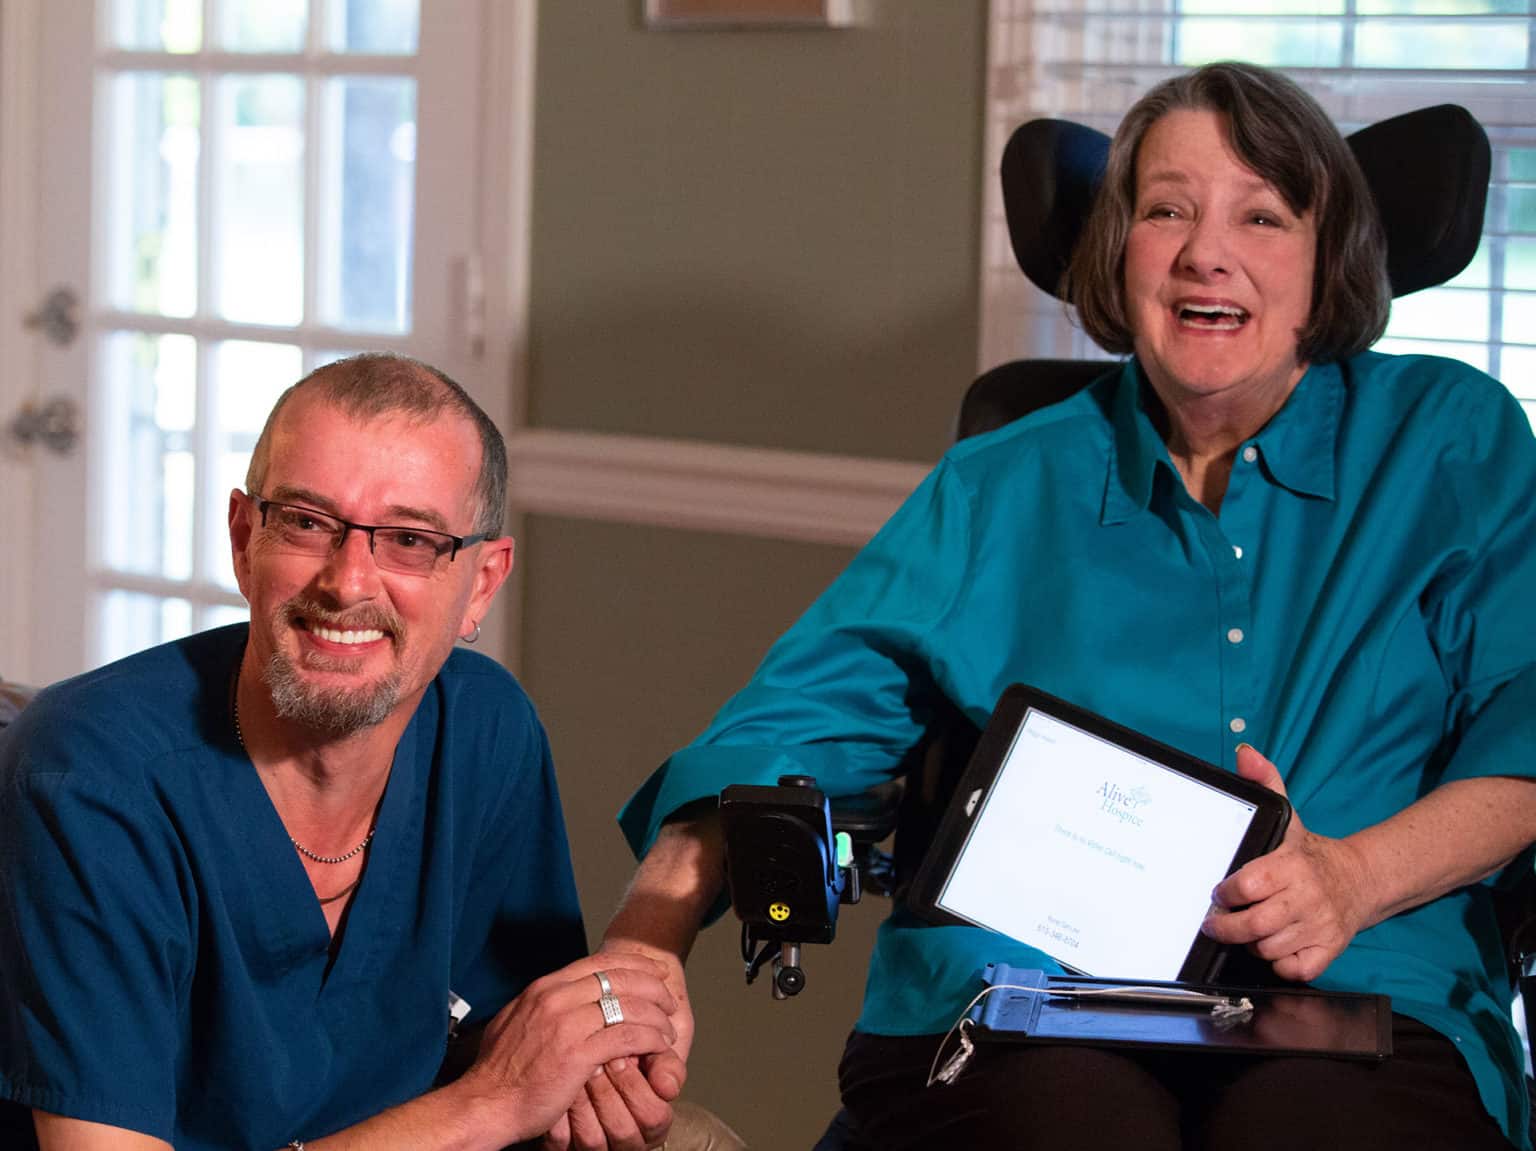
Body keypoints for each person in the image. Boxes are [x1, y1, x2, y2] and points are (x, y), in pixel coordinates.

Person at [601, 62, 1536, 1149]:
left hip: (1370, 980)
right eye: (1166, 209)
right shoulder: (1002, 481)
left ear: (1329, 257)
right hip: (1030, 994)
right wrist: (644, 940)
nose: (1206, 252)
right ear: (1116, 247)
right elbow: (787, 725)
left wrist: (1354, 875)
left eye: (1263, 214)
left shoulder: (1451, 440)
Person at [0, 354, 685, 1151]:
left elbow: (526, 1044)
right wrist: (489, 1103)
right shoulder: (90, 774)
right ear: (242, 539)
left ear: (483, 583)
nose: (348, 580)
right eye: (305, 521)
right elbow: (499, 1089)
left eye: (410, 539)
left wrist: (610, 1055)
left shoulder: (486, 729)